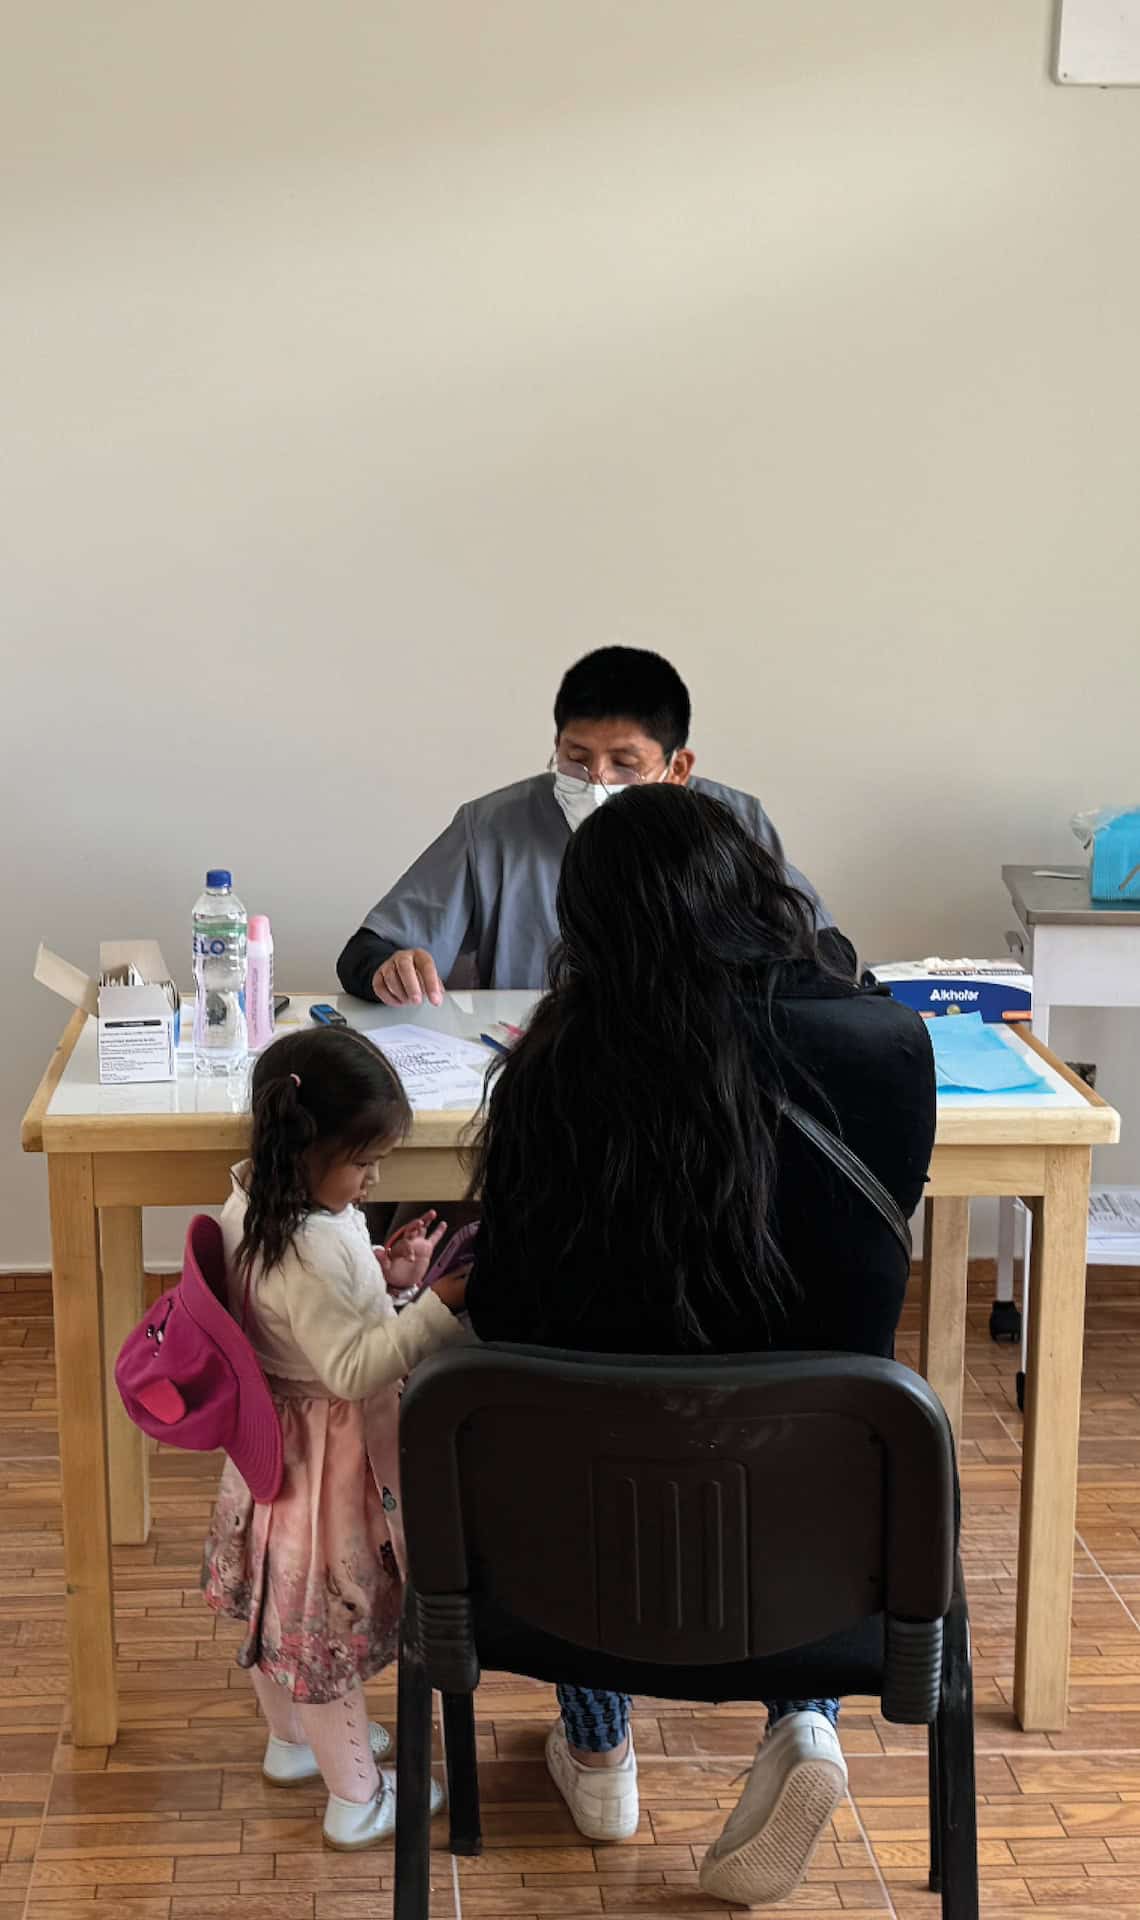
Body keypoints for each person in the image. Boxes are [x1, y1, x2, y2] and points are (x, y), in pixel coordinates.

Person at [465, 785, 935, 1909]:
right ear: (752, 888)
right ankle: (805, 1724)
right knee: (809, 1390)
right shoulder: (886, 1048)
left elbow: (510, 1319)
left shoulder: (549, 1077)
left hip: (569, 1570)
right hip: (821, 1555)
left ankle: (598, 1757)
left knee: (555, 1410)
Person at [200, 1025, 470, 1852]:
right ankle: (357, 1797)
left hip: (273, 1449)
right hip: (325, 1458)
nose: (374, 1178)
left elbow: (304, 1309)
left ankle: (292, 1746)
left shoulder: (261, 1199)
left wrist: (384, 1275)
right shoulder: (312, 1243)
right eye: (363, 1161)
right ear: (310, 1148)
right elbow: (352, 1367)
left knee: (277, 1617)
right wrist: (437, 1304)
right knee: (319, 1633)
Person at [337, 644, 829, 1008]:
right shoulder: (492, 826)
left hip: (704, 1060)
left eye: (624, 763)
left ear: (677, 769)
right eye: (576, 759)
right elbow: (368, 949)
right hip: (542, 1058)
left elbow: (825, 952)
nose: (596, 780)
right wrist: (388, 969)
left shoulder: (734, 824)